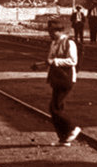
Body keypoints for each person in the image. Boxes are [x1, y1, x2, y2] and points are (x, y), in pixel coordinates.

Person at [34, 18, 81, 147]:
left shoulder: (69, 43)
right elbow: (50, 59)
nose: (49, 34)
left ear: (59, 31)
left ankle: (72, 128)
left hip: (66, 78)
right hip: (56, 78)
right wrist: (41, 65)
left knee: (54, 108)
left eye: (51, 32)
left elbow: (73, 61)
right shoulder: (54, 43)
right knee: (57, 107)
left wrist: (55, 61)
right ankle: (64, 139)